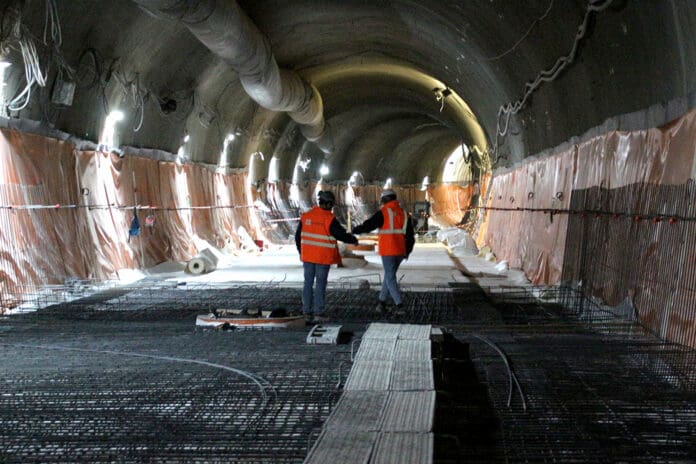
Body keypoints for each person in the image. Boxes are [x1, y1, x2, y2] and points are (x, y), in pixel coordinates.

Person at [295, 190, 358, 322]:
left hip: (308, 258)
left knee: (308, 283)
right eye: (331, 205)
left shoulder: (306, 216)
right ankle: (318, 313)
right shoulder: (329, 219)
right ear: (329, 204)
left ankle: (306, 312)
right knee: (320, 284)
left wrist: (302, 251)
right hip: (322, 258)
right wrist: (353, 240)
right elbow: (340, 234)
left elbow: (297, 236)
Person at [352, 189, 415, 313]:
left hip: (388, 250)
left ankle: (399, 305)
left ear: (385, 199)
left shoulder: (384, 212)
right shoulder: (403, 213)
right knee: (388, 275)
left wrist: (355, 230)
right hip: (400, 251)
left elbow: (369, 225)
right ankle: (381, 302)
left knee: (390, 277)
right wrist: (407, 251)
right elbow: (410, 236)